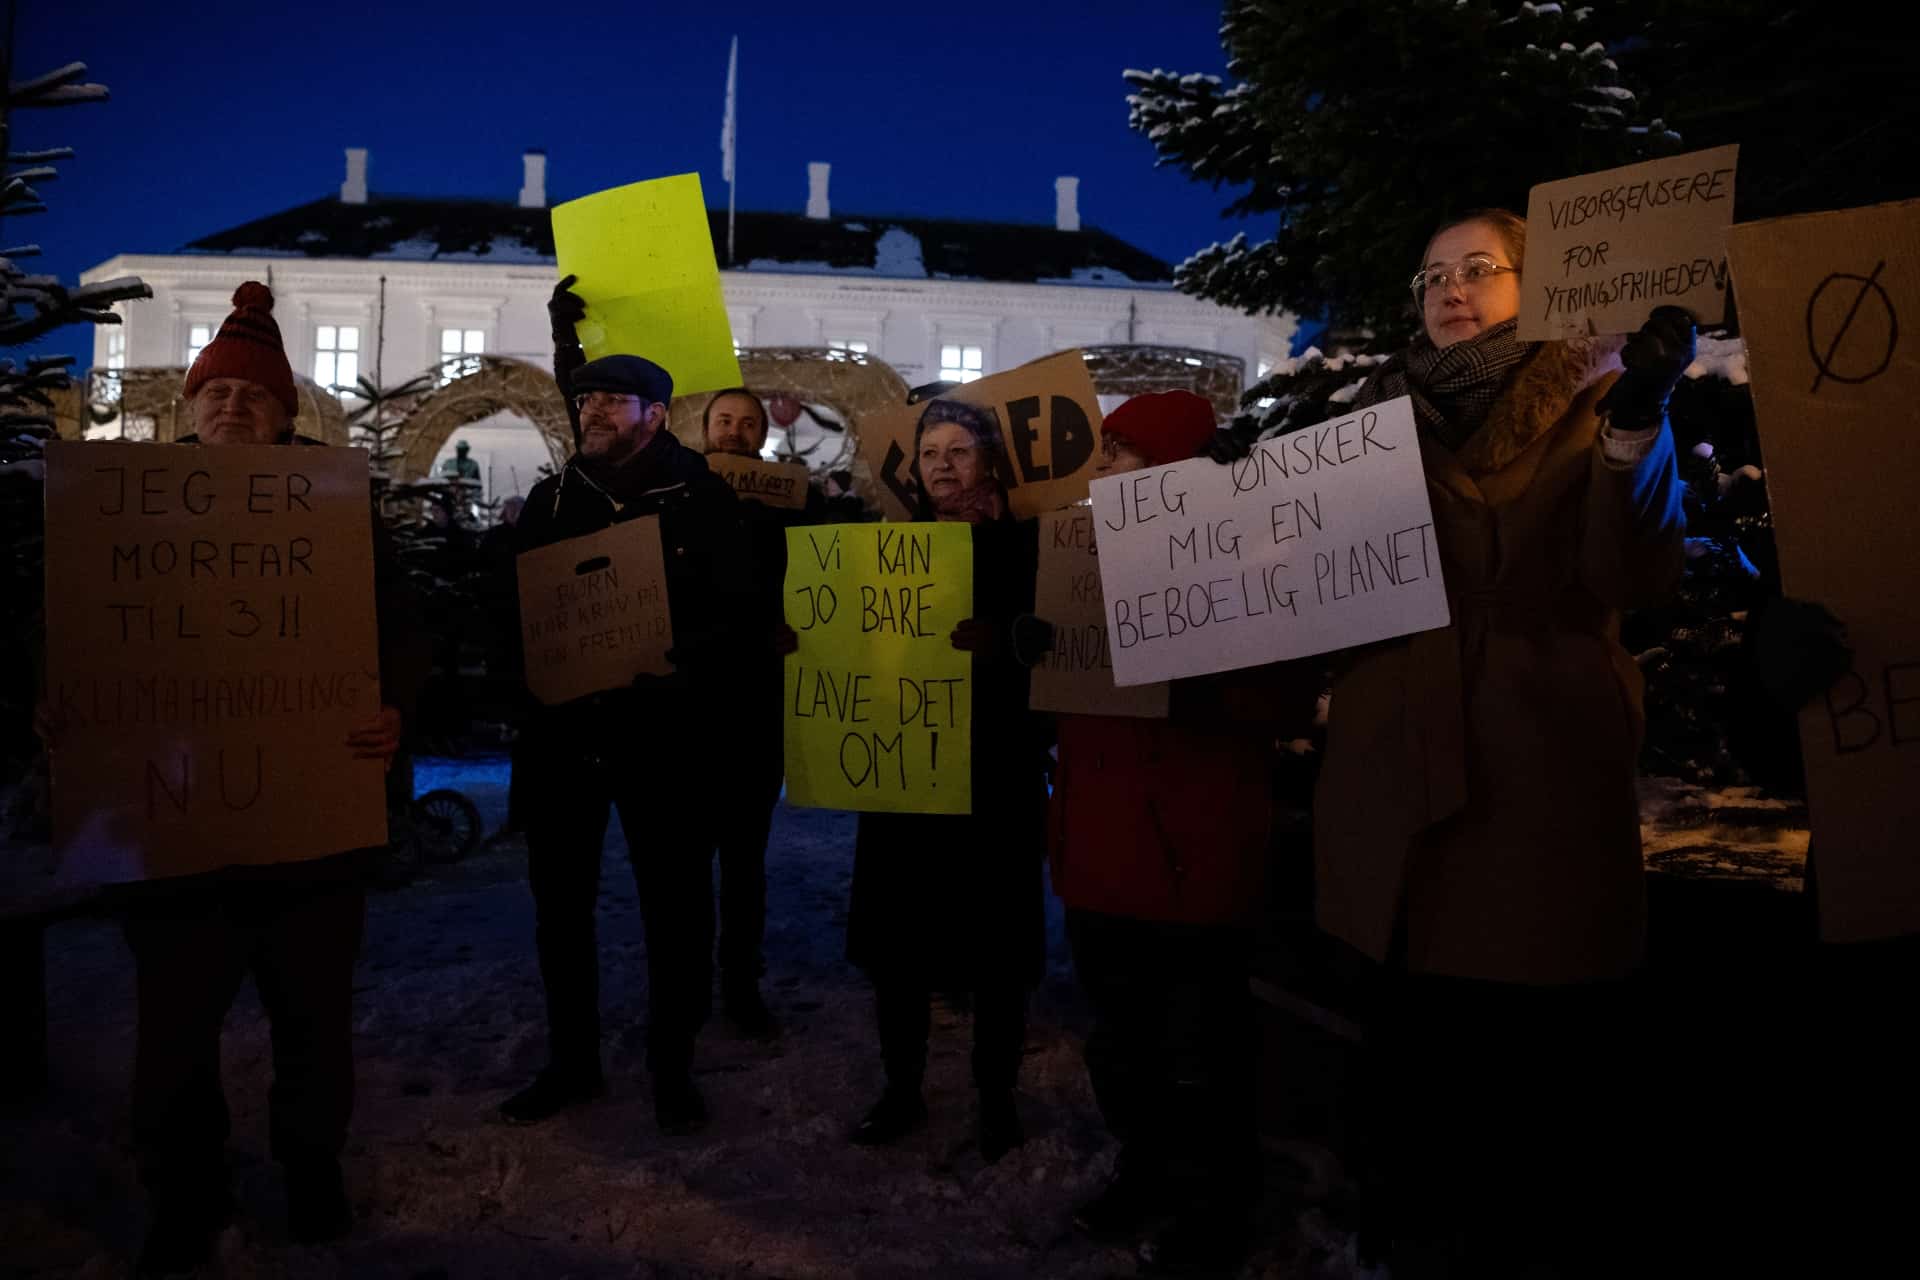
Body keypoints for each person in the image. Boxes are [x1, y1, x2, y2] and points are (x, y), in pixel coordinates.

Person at [1210, 211, 1691, 1274]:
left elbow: (1635, 575)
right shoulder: (1370, 424)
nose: (1451, 289)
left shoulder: (1600, 401)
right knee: (1405, 1041)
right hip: (1392, 772)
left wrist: (1637, 429)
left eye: (1480, 269)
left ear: (1540, 284)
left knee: (1521, 1057)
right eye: (1432, 274)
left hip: (1532, 773)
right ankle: (1405, 1229)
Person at [99, 283, 428, 1272]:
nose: (234, 407)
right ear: (190, 410)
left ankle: (311, 1165)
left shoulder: (335, 512)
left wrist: (394, 707)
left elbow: (400, 629)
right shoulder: (128, 513)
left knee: (313, 1016)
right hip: (178, 821)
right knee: (174, 1028)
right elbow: (78, 634)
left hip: (310, 824)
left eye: (254, 395)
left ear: (285, 414)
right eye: (218, 394)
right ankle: (185, 1188)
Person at [1048, 391, 1320, 1273]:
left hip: (1191, 851)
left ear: (1167, 469)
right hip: (1099, 846)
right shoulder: (1074, 556)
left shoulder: (1246, 556)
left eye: (1120, 453)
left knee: (1201, 1048)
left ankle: (1216, 1205)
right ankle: (1148, 1170)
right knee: (1120, 1041)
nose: (1102, 468)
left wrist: (1188, 684)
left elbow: (1283, 700)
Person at [496, 276, 750, 1135]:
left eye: (614, 399)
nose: (595, 410)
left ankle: (671, 1066)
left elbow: (742, 615)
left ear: (657, 415)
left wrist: (684, 665)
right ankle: (573, 1061)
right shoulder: (553, 499)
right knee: (560, 907)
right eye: (587, 398)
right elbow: (515, 612)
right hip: (567, 739)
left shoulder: (705, 499)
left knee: (676, 908)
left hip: (667, 741)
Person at [837, 395, 1049, 1163]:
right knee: (901, 947)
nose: (943, 466)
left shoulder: (1032, 547)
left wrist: (1008, 645)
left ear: (990, 461)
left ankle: (996, 1099)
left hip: (995, 772)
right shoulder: (887, 549)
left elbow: (1063, 649)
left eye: (960, 452)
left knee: (994, 950)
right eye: (931, 454)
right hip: (904, 771)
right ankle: (901, 1089)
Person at [695, 386, 822, 1037]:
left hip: (758, 708)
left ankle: (741, 985)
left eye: (747, 424)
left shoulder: (794, 506)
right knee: (686, 863)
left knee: (745, 862)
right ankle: (688, 986)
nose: (737, 432)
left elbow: (825, 578)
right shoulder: (681, 501)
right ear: (706, 429)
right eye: (725, 421)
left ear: (760, 435)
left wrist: (796, 626)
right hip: (688, 713)